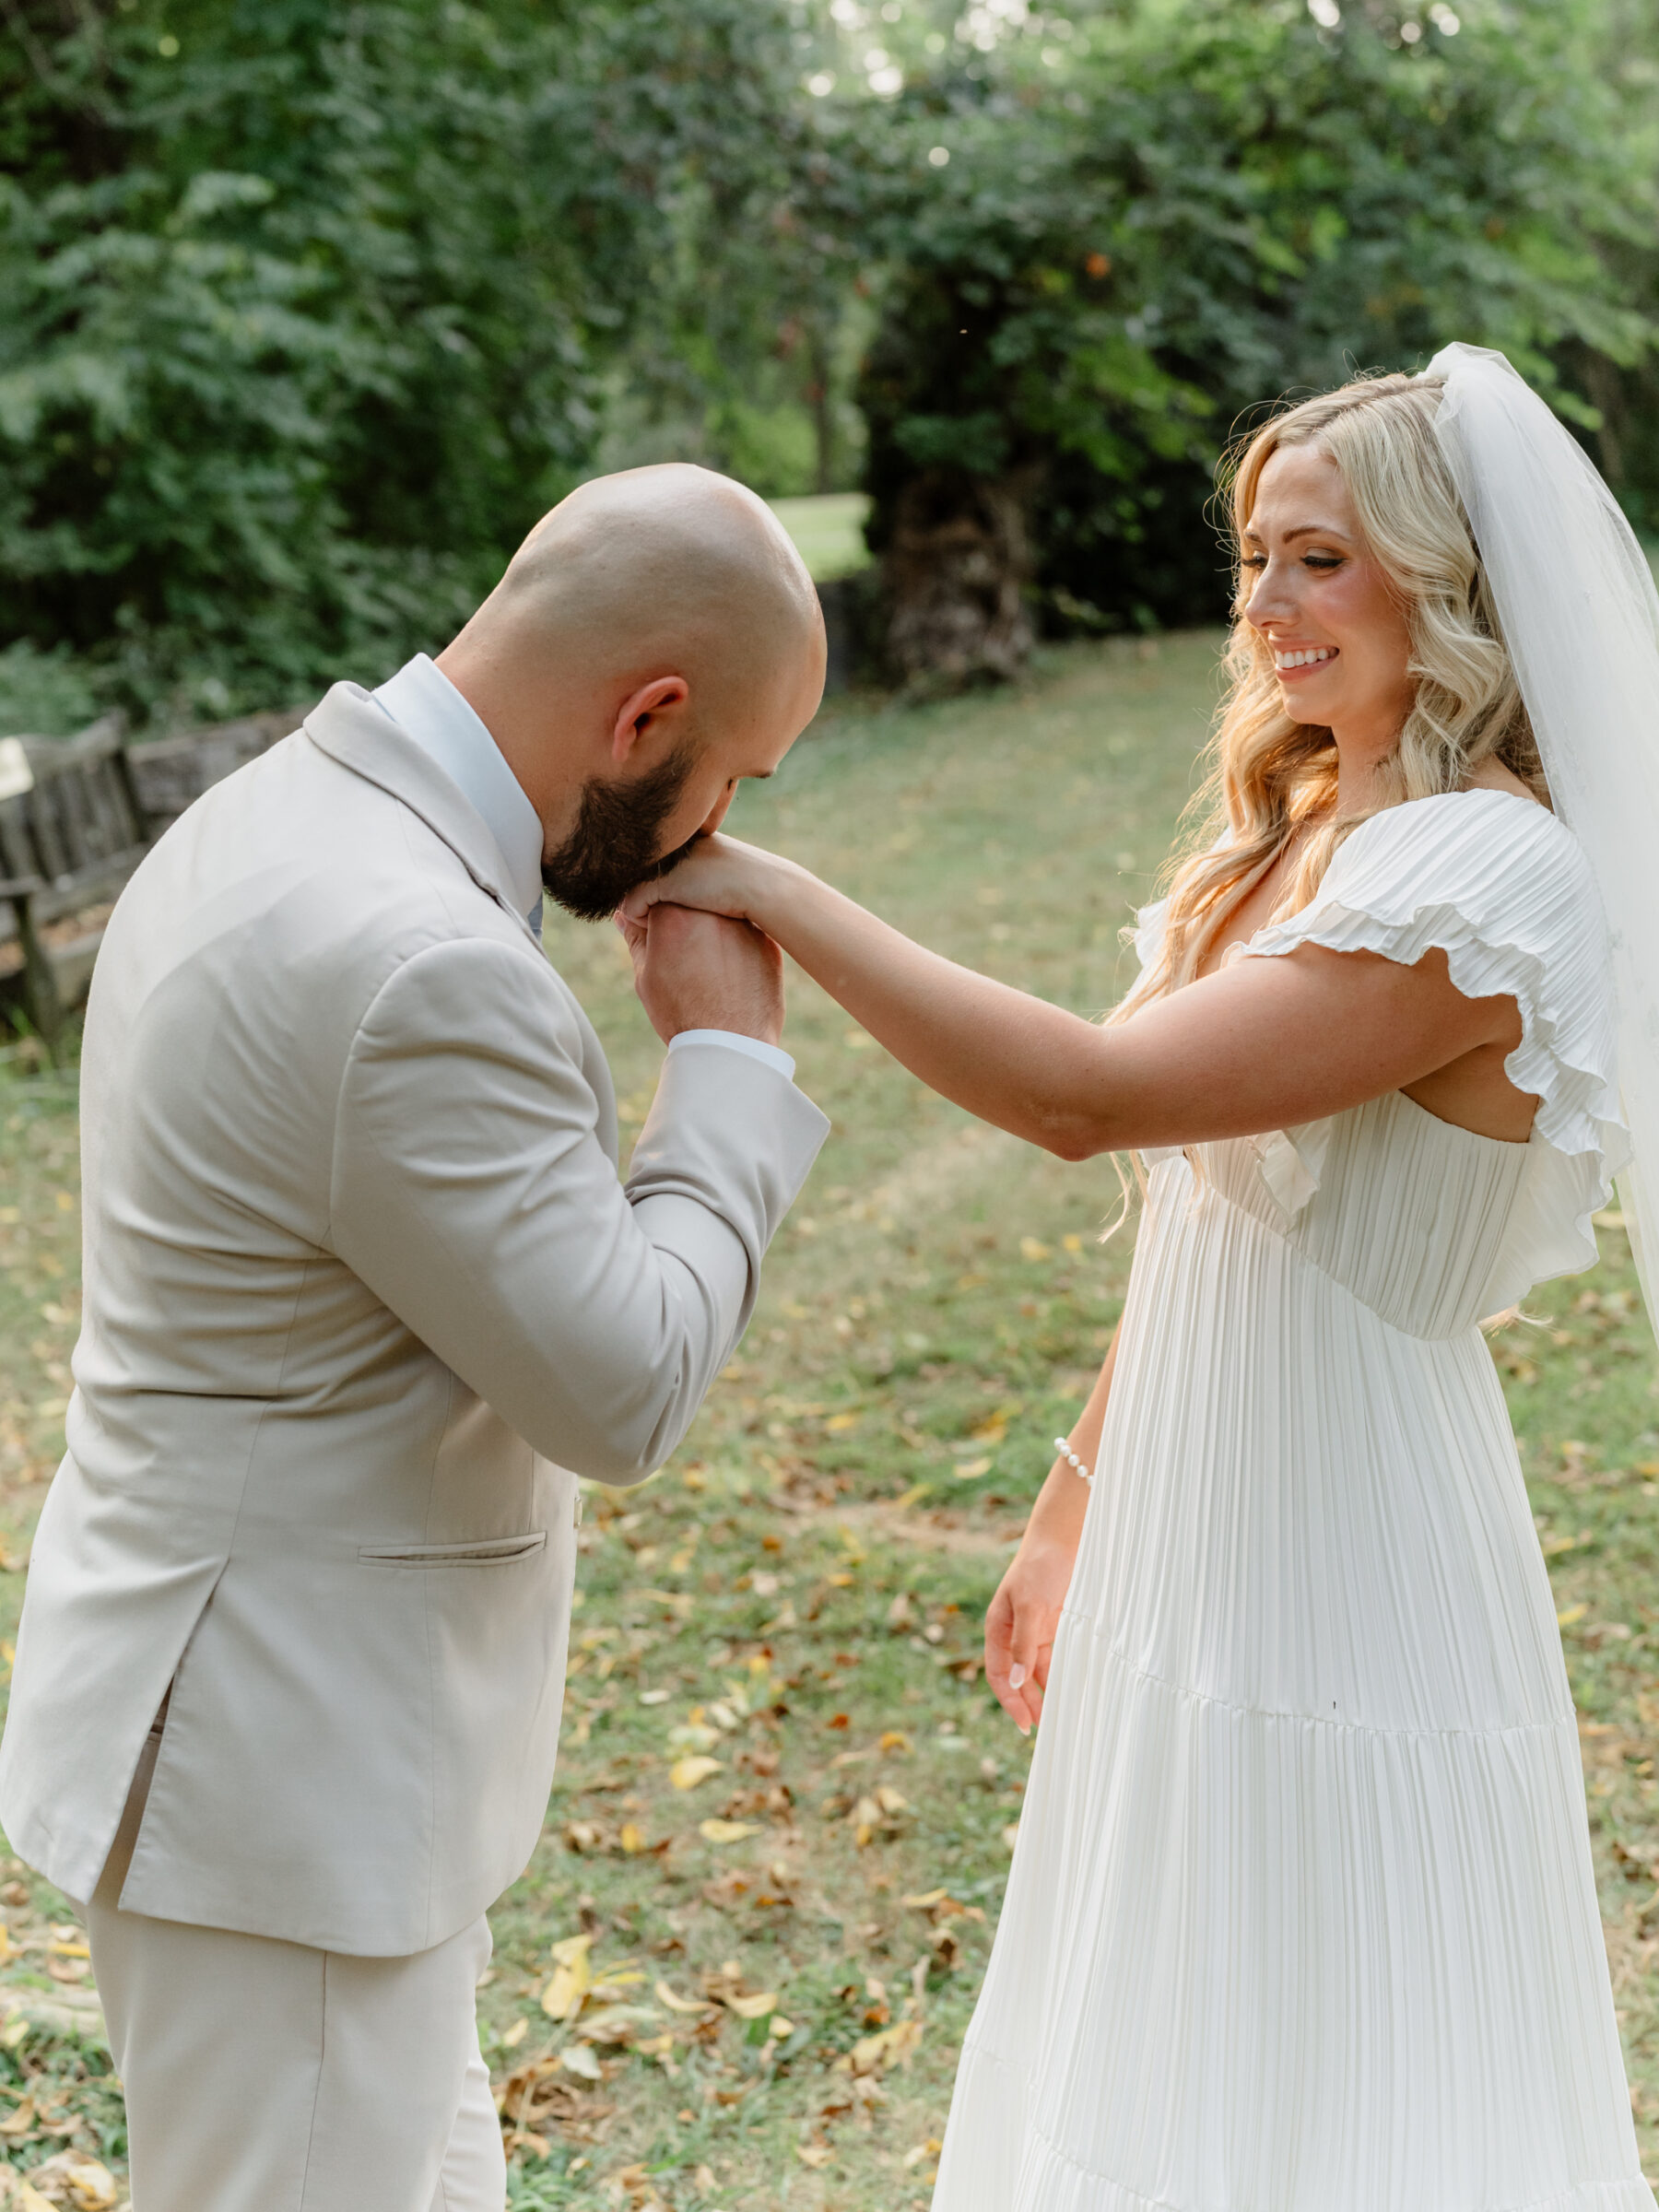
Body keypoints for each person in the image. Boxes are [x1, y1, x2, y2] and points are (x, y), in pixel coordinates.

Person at [622, 354, 1659, 2206]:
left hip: (1351, 1554)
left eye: (1319, 560)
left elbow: (1090, 1105)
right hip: (1198, 1505)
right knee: (1171, 2008)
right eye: (1258, 557)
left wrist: (776, 896)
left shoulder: (1489, 880)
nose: (1264, 605)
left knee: (1336, 2049)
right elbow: (1211, 1211)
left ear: (1442, 579)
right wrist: (1068, 1496)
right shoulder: (1308, 830)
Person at [0, 465, 830, 2210]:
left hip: (288, 1773)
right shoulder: (413, 961)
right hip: (280, 1790)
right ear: (645, 714)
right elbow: (623, 1383)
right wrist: (729, 1064)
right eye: (732, 772)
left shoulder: (279, 814)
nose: (724, 822)